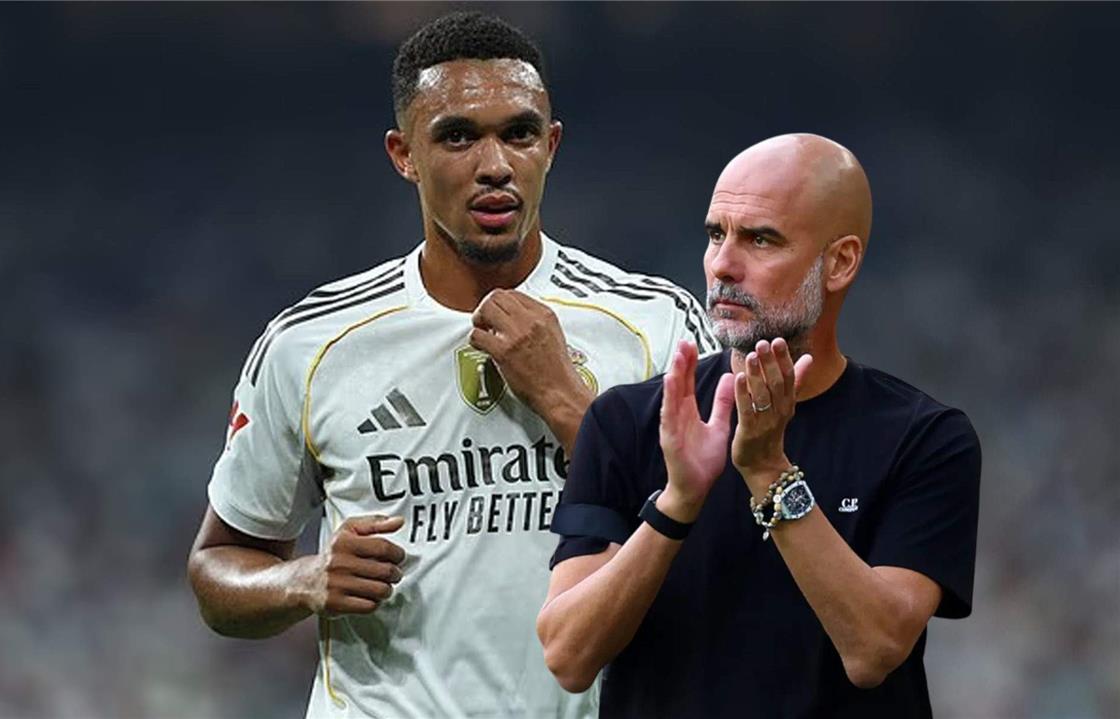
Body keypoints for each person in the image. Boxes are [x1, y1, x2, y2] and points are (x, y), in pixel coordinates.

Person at [186, 12, 717, 719]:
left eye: (519, 133)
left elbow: (725, 548)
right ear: (404, 154)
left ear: (551, 146)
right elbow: (217, 569)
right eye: (458, 136)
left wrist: (567, 402)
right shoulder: (310, 344)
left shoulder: (655, 324)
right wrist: (303, 580)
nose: (494, 165)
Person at [537, 134, 981, 718]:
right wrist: (676, 503)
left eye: (760, 239)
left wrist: (769, 472)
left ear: (840, 262)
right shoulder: (628, 422)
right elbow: (568, 657)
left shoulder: (924, 438)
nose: (723, 264)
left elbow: (874, 651)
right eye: (715, 234)